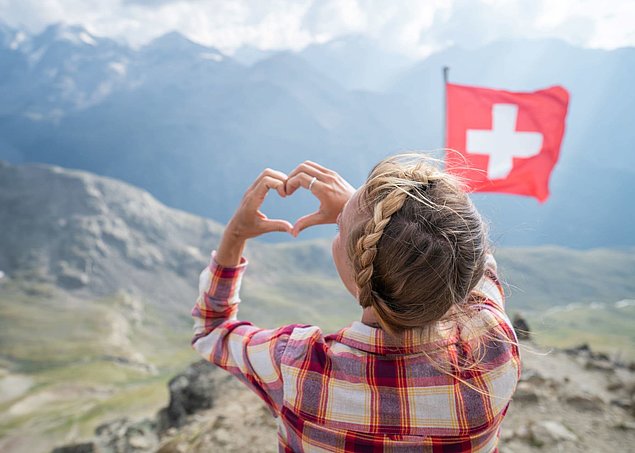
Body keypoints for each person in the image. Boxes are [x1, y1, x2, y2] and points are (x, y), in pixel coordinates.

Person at [191, 154, 521, 452]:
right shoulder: (495, 348)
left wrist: (235, 235)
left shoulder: (299, 365)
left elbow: (212, 329)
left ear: (361, 266)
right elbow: (472, 257)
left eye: (339, 228)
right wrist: (370, 221)